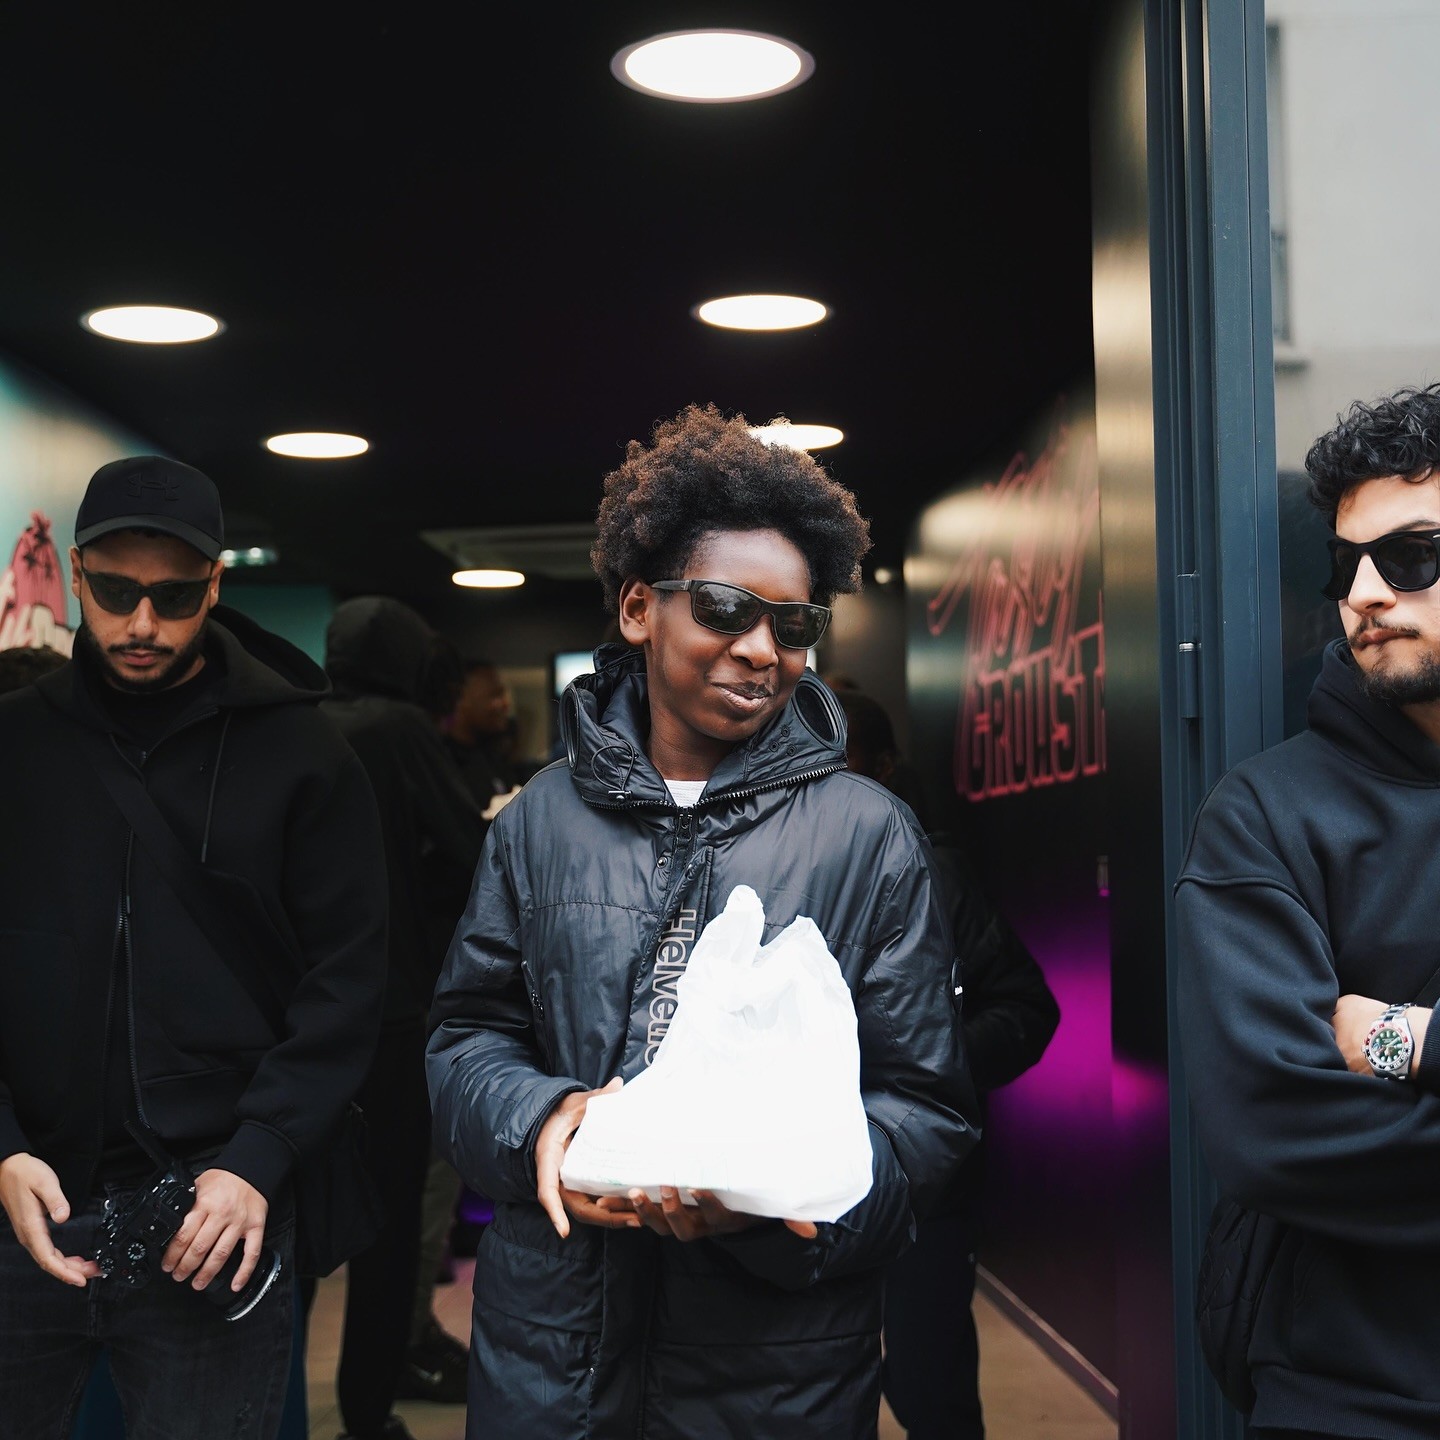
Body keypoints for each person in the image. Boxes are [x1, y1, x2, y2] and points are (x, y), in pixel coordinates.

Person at [427, 403, 979, 1439]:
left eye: (795, 624)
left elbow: (925, 1110)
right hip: (555, 1360)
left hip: (777, 1375)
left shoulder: (869, 835)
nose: (762, 649)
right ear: (641, 608)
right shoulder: (539, 820)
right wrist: (544, 1120)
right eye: (727, 608)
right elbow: (467, 1037)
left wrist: (784, 1204)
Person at [0, 456, 388, 1440]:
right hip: (25, 1199)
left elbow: (347, 981)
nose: (142, 623)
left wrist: (258, 1157)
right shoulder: (14, 745)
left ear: (215, 585)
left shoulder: (306, 754)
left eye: (173, 596)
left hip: (214, 1205)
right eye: (116, 592)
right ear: (75, 576)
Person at [1177, 383, 1440, 1439]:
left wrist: (1405, 1041)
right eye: (1347, 563)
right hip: (1350, 1395)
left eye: (1413, 555)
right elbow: (1274, 1130)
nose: (1366, 592)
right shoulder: (1264, 814)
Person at [837, 689, 1059, 1440]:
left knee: (931, 1388)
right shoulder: (766, 870)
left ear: (883, 768)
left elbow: (1027, 1009)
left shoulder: (935, 873)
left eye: (842, 761)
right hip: (802, 1181)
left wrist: (925, 1062)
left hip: (924, 1182)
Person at [319, 597, 489, 1434]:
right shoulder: (399, 728)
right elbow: (467, 845)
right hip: (389, 1007)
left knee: (291, 1221)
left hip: (301, 1009)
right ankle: (368, 1409)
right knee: (389, 1225)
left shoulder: (303, 720)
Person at [443, 658, 518, 808]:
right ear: (462, 698)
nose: (505, 703)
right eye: (494, 695)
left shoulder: (492, 756)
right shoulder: (445, 763)